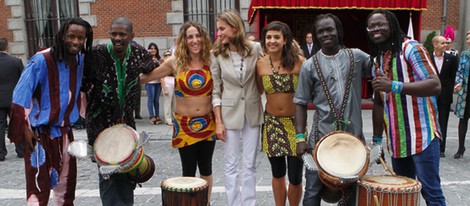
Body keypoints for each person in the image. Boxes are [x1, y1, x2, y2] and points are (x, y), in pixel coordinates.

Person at [8, 17, 93, 205]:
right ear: (62, 36)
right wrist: (24, 130)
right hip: (39, 135)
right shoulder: (41, 60)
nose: (76, 42)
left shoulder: (80, 59)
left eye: (81, 38)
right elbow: (20, 95)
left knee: (66, 188)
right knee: (38, 189)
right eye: (72, 36)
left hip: (64, 134)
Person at [367, 10, 446, 205]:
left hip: (423, 135)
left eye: (381, 24)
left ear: (392, 25)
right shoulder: (377, 60)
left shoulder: (411, 48)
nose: (376, 29)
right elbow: (378, 102)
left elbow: (435, 85)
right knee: (402, 194)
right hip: (398, 140)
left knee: (431, 193)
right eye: (372, 26)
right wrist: (377, 141)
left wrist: (394, 86)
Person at [294, 13, 370, 205]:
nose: (325, 34)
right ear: (316, 35)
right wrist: (300, 138)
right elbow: (300, 102)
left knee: (351, 191)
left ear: (339, 31)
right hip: (320, 139)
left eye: (330, 29)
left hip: (352, 138)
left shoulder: (357, 57)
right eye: (321, 31)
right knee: (312, 190)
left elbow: (384, 69)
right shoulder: (309, 66)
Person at [82, 17, 159, 206]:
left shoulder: (138, 53)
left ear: (131, 36)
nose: (117, 38)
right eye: (113, 34)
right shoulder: (97, 54)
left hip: (126, 128)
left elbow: (153, 66)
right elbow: (81, 83)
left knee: (127, 175)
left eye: (122, 34)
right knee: (109, 179)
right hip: (101, 127)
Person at [141, 21, 217, 202]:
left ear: (204, 38)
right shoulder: (175, 62)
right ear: (184, 40)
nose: (195, 40)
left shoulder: (211, 60)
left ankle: (205, 203)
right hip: (183, 125)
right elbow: (147, 78)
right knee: (188, 170)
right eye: (190, 36)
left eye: (198, 36)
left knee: (206, 168)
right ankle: (189, 204)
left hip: (208, 123)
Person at [211, 10, 264, 206]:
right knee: (231, 164)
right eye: (218, 29)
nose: (219, 33)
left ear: (234, 28)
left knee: (249, 164)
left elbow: (261, 78)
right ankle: (233, 203)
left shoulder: (255, 49)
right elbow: (215, 91)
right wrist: (218, 122)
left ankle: (249, 203)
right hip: (229, 113)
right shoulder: (216, 54)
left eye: (222, 28)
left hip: (252, 110)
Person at [256, 21, 304, 206]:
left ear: (285, 40)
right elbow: (258, 91)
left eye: (277, 37)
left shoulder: (300, 62)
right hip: (272, 124)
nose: (272, 41)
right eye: (268, 37)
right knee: (277, 173)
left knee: (295, 176)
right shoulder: (260, 64)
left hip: (295, 124)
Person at [430, 35, 458, 158]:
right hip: (430, 93)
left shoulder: (451, 58)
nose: (445, 45)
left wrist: (451, 89)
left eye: (446, 43)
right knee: (430, 120)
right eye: (442, 43)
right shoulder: (428, 58)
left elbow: (453, 76)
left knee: (443, 121)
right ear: (435, 44)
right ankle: (429, 145)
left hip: (445, 94)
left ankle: (441, 147)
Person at [0, 37, 24, 161]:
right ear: (6, 47)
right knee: (17, 124)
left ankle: (1, 153)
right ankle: (20, 150)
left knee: (0, 126)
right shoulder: (15, 61)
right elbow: (24, 79)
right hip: (14, 98)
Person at [453, 30, 470, 159]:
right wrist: (458, 83)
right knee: (462, 120)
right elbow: (460, 71)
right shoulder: (465, 54)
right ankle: (460, 147)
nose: (468, 40)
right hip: (465, 92)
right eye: (467, 38)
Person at [146, 42, 163, 124]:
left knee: (156, 100)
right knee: (151, 99)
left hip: (158, 82)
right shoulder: (147, 59)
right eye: (151, 48)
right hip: (150, 82)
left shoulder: (159, 59)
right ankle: (151, 116)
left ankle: (157, 115)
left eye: (154, 48)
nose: (153, 50)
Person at [160, 50, 175, 125]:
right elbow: (161, 77)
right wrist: (164, 88)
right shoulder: (163, 65)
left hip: (175, 84)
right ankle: (168, 119)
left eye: (169, 54)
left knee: (175, 103)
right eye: (166, 55)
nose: (168, 56)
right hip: (167, 84)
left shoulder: (174, 64)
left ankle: (174, 118)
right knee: (167, 103)